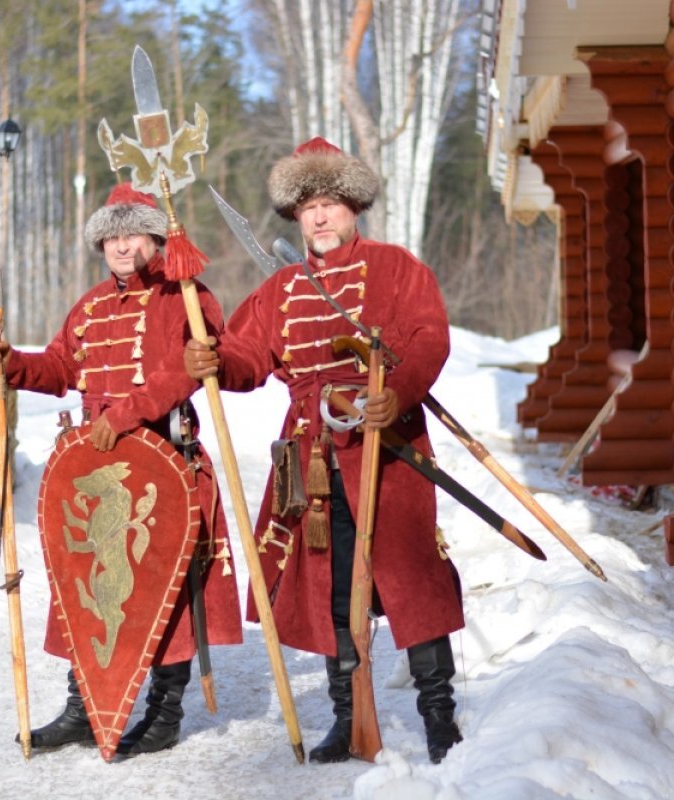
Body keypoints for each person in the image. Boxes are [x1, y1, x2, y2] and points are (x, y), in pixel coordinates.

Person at [184, 137, 464, 764]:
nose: (319, 216)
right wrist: (212, 358)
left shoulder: (397, 267)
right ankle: (349, 716)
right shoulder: (282, 289)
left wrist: (397, 390)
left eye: (331, 202)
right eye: (307, 205)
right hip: (311, 460)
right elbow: (248, 357)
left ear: (353, 206)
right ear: (294, 215)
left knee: (413, 582)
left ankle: (440, 720)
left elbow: (428, 336)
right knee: (332, 588)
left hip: (386, 449)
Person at [0, 183, 242, 757]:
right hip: (97, 468)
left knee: (164, 589)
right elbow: (57, 367)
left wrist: (127, 415)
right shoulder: (91, 304)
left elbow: (186, 370)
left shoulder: (186, 296)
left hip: (163, 459)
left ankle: (165, 713)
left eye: (134, 234)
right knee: (85, 583)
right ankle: (84, 706)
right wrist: (12, 364)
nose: (123, 247)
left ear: (154, 237)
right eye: (113, 236)